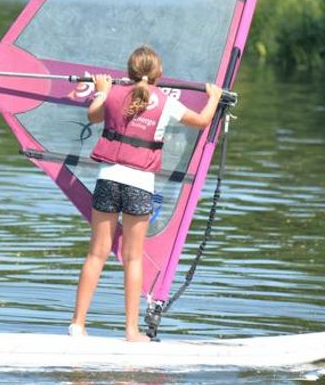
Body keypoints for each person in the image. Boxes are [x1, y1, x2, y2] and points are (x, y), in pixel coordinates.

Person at [69, 45, 222, 342]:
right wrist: (214, 97)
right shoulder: (166, 102)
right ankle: (131, 331)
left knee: (96, 253)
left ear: (128, 72)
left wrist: (102, 89)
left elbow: (92, 115)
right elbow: (202, 121)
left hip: (108, 180)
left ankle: (77, 324)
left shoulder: (113, 94)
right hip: (140, 185)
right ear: (159, 75)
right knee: (133, 258)